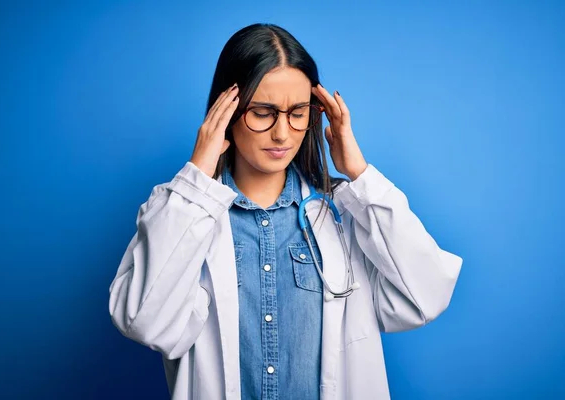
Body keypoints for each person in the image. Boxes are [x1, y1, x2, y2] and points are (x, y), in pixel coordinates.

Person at [108, 22, 463, 400]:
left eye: (298, 112)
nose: (282, 133)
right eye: (263, 112)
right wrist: (197, 179)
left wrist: (359, 175)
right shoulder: (184, 213)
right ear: (226, 110)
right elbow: (145, 322)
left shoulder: (342, 218)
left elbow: (425, 296)